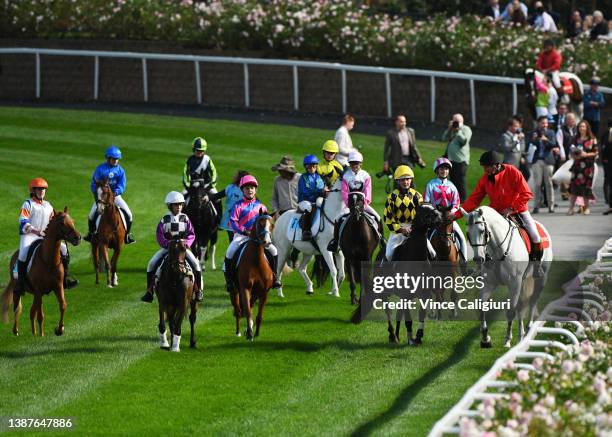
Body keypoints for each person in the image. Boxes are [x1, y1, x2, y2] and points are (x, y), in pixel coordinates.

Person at [455, 151, 544, 263]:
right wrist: (456, 214)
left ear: (497, 165)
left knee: (535, 235)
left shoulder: (512, 171)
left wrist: (511, 208)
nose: (485, 170)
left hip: (518, 209)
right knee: (483, 234)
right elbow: (474, 199)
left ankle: (537, 265)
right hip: (496, 212)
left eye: (487, 167)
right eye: (484, 167)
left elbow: (527, 193)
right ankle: (483, 266)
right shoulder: (485, 178)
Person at [14, 178, 78, 296]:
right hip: (29, 236)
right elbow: (22, 220)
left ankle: (64, 279)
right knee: (23, 254)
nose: (42, 191)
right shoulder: (27, 204)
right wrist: (34, 230)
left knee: (63, 249)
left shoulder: (48, 205)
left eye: (43, 189)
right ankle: (21, 284)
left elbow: (54, 221)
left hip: (44, 236)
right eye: (39, 189)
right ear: (33, 190)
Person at [140, 192, 203, 303]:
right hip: (168, 248)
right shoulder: (165, 219)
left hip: (182, 249)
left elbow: (191, 234)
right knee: (151, 263)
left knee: (196, 264)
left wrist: (186, 244)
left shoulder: (185, 218)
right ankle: (149, 291)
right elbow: (159, 234)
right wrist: (166, 244)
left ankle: (199, 291)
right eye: (176, 205)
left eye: (180, 204)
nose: (178, 207)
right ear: (170, 206)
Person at [223, 175, 281, 291]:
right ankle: (230, 281)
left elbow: (267, 222)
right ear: (242, 190)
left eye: (252, 188)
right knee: (229, 253)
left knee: (274, 250)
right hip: (241, 237)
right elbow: (233, 221)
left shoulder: (261, 206)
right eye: (247, 188)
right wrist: (243, 231)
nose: (250, 190)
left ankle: (275, 277)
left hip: (258, 238)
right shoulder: (237, 205)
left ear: (255, 190)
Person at [327, 150, 385, 252]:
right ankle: (335, 242)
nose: (355, 165)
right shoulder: (346, 176)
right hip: (350, 205)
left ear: (361, 163)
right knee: (337, 219)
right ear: (349, 164)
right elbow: (345, 192)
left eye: (357, 163)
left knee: (378, 217)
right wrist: (348, 204)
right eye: (353, 163)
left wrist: (365, 203)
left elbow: (368, 190)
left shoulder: (366, 176)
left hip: (363, 203)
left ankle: (382, 240)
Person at [383, 166, 436, 261]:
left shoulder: (418, 195)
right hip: (398, 231)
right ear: (398, 181)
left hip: (415, 229)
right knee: (389, 255)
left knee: (432, 253)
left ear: (411, 180)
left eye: (407, 179)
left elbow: (422, 216)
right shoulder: (392, 197)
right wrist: (400, 229)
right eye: (402, 180)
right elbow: (388, 219)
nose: (405, 182)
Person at [84, 146, 135, 244]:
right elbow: (94, 184)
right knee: (91, 215)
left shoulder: (120, 171)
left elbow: (122, 184)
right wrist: (98, 194)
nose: (115, 161)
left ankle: (127, 235)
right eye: (113, 159)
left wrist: (116, 192)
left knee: (129, 214)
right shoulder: (100, 169)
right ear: (108, 158)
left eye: (117, 159)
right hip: (102, 197)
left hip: (115, 197)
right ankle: (91, 234)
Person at [423, 158, 468, 261]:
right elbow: (425, 203)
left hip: (448, 219)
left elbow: (456, 203)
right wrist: (434, 213)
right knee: (424, 237)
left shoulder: (452, 186)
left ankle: (464, 263)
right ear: (437, 170)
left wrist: (451, 214)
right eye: (442, 169)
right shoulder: (430, 185)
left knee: (461, 237)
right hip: (434, 219)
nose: (444, 171)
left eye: (446, 169)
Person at [182, 137, 220, 221]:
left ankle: (219, 220)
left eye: (202, 151)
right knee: (181, 198)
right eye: (198, 150)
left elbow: (214, 173)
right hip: (192, 185)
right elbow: (185, 174)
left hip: (206, 185)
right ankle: (181, 220)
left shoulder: (207, 159)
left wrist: (210, 185)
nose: (200, 152)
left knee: (217, 198)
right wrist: (188, 186)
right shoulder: (189, 160)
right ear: (193, 149)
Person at [528, 116, 560, 213]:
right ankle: (536, 206)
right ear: (538, 123)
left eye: (546, 123)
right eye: (542, 123)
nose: (545, 125)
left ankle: (551, 205)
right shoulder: (534, 132)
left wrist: (546, 140)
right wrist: (534, 139)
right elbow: (529, 143)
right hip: (537, 161)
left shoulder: (551, 133)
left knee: (549, 183)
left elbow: (553, 144)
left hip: (548, 161)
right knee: (537, 184)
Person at [568, 120, 599, 215]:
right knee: (574, 187)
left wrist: (586, 154)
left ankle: (586, 208)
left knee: (586, 187)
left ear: (587, 128)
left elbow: (596, 152)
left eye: (583, 126)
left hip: (588, 167)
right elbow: (571, 151)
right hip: (577, 166)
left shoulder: (592, 139)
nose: (582, 128)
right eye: (580, 126)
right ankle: (571, 209)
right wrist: (574, 156)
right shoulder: (575, 139)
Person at [297, 154, 328, 241]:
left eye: (314, 166)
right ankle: (305, 231)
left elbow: (323, 188)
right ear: (306, 167)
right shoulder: (303, 177)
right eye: (309, 166)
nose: (312, 168)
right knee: (308, 207)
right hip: (305, 201)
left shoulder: (318, 177)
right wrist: (319, 191)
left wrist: (326, 191)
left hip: (316, 201)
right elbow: (305, 192)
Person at [442, 113, 472, 201]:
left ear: (462, 121)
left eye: (457, 121)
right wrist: (449, 129)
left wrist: (458, 131)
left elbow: (464, 142)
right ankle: (454, 198)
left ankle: (463, 200)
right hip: (450, 159)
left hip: (461, 160)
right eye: (454, 121)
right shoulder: (451, 129)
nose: (456, 123)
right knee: (452, 179)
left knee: (460, 181)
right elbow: (443, 138)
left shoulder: (466, 129)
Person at [218, 170, 249, 242]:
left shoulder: (247, 190)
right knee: (232, 241)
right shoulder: (230, 187)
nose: (233, 176)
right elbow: (218, 195)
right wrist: (208, 198)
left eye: (236, 175)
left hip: (241, 220)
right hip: (229, 220)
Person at [601, 118, 612, 215]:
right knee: (608, 181)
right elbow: (604, 147)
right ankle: (609, 202)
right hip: (608, 161)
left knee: (608, 181)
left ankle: (608, 201)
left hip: (607, 161)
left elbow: (603, 148)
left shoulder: (606, 133)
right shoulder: (607, 134)